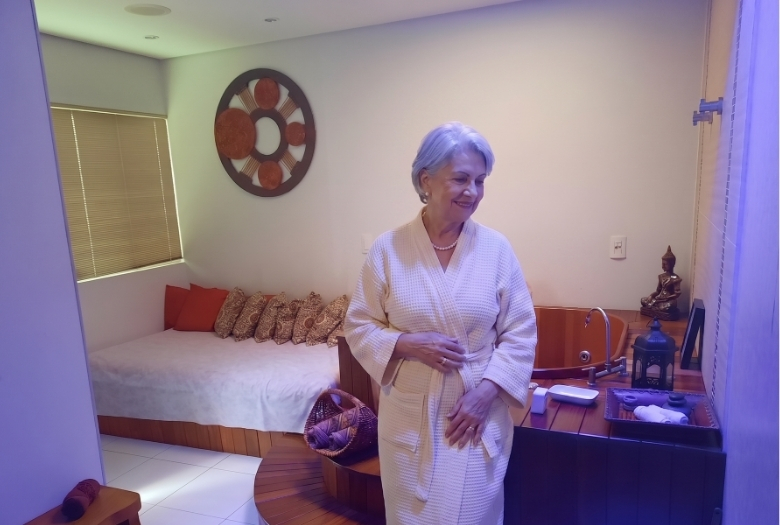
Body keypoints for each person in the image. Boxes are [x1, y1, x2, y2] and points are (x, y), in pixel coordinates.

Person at [344, 122, 537, 524]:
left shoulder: (497, 250)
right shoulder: (388, 250)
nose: (473, 191)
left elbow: (520, 333)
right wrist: (408, 344)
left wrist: (486, 394)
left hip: (475, 419)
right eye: (461, 179)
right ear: (425, 181)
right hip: (410, 422)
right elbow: (359, 325)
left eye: (480, 181)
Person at [640, 245, 682, 313]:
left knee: (669, 306)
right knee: (643, 300)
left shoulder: (675, 278)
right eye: (662, 264)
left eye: (665, 264)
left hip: (668, 300)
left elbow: (677, 294)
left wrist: (667, 298)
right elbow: (658, 291)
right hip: (659, 299)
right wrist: (651, 296)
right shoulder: (661, 276)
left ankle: (654, 307)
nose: (663, 266)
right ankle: (656, 307)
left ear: (672, 264)